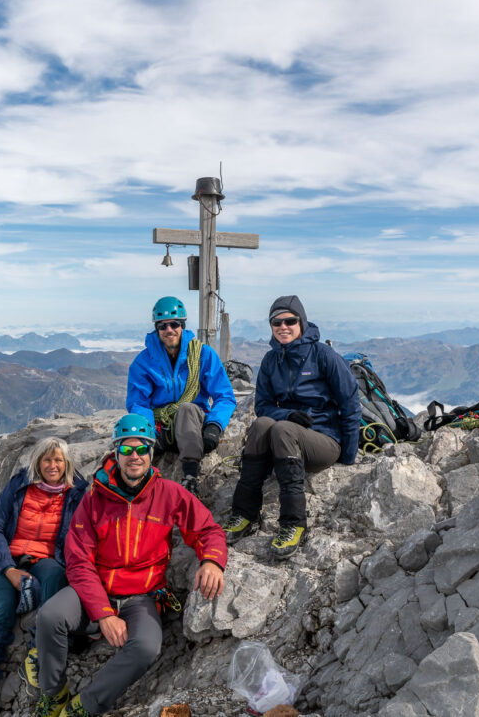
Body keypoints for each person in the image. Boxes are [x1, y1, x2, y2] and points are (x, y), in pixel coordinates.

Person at [33, 413, 227, 717]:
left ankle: (84, 706)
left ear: (151, 452)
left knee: (147, 648)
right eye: (126, 449)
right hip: (96, 593)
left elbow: (207, 530)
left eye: (141, 449)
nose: (134, 456)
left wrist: (212, 561)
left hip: (143, 597)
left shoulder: (169, 494)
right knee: (50, 616)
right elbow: (79, 561)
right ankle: (54, 694)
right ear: (116, 453)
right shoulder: (95, 499)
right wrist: (105, 614)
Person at [222, 295, 361, 559]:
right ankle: (244, 514)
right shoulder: (271, 360)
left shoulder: (323, 355)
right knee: (263, 424)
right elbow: (262, 405)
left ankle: (293, 523)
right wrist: (288, 414)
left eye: (290, 320)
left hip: (324, 440)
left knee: (281, 429)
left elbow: (350, 401)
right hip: (287, 443)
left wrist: (349, 455)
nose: (283, 326)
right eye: (277, 322)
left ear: (302, 322)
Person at [0, 437, 88, 717]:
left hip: (46, 560)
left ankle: (36, 652)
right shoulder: (19, 486)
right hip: (7, 561)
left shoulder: (77, 493)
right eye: (47, 459)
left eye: (58, 460)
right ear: (37, 462)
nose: (53, 465)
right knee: (4, 609)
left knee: (56, 576)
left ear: (66, 463)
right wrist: (9, 569)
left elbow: (83, 533)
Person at [127, 296, 236, 495]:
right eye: (163, 326)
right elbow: (138, 403)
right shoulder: (143, 362)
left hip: (193, 426)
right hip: (163, 429)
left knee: (186, 409)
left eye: (174, 324)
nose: (169, 330)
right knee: (128, 429)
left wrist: (214, 426)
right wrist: (149, 431)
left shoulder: (203, 354)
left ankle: (190, 476)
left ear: (182, 325)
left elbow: (225, 396)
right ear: (157, 329)